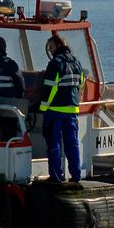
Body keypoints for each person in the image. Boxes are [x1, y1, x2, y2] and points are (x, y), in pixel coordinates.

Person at [36, 35, 84, 183]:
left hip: (55, 111)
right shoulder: (77, 62)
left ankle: (56, 177)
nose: (50, 51)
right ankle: (76, 176)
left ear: (57, 46)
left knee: (54, 143)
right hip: (72, 111)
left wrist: (42, 107)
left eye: (51, 47)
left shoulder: (55, 64)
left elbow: (51, 89)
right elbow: (81, 84)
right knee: (72, 144)